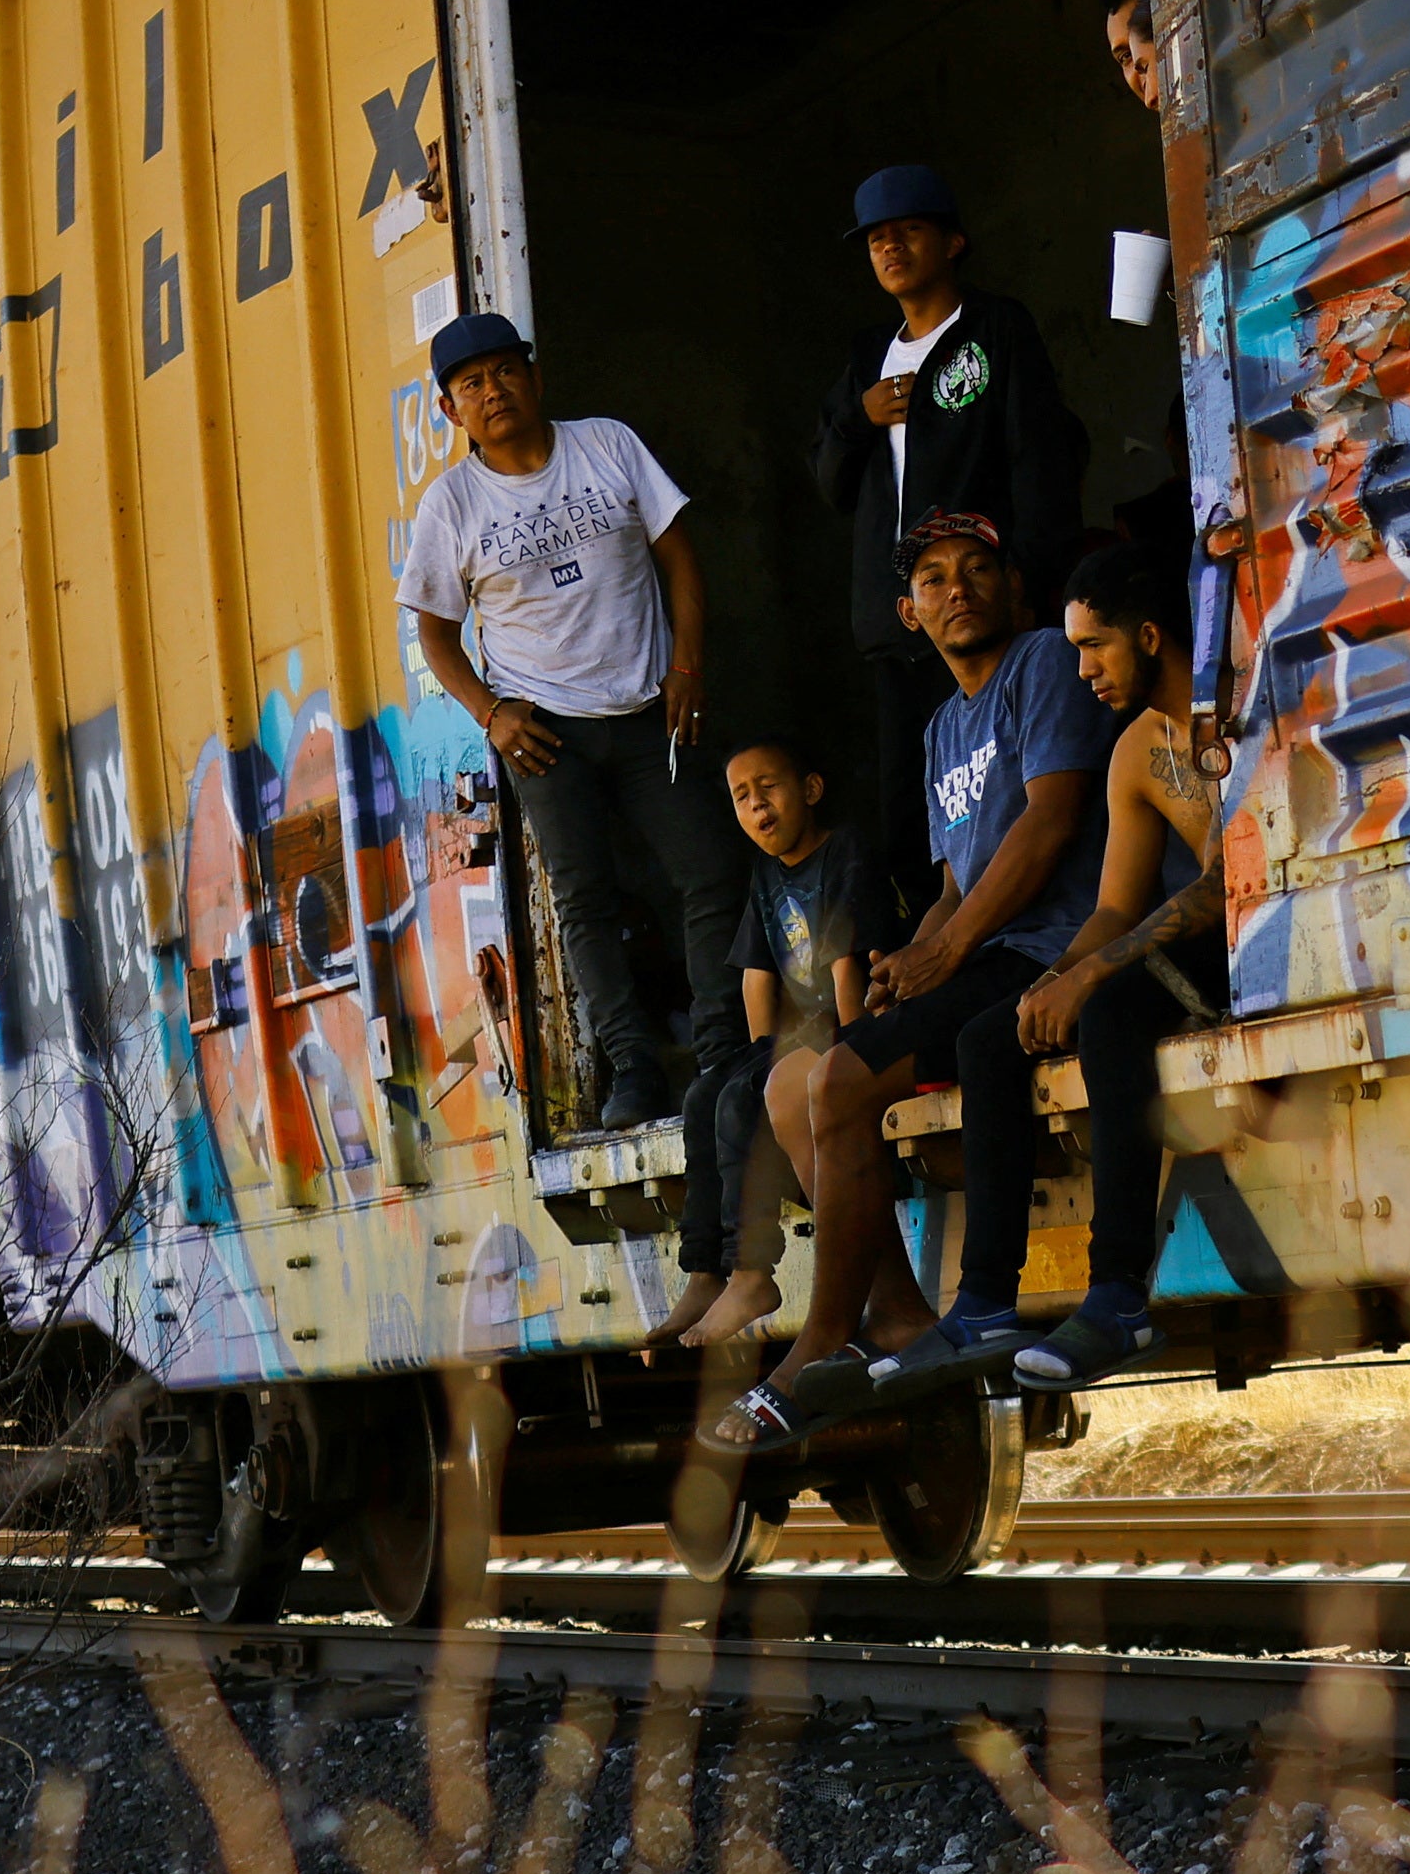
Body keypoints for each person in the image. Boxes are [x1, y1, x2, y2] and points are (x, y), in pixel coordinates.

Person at [710, 509, 1105, 1447]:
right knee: (795, 1082)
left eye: (976, 569)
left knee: (842, 1081)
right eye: (932, 579)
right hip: (978, 948)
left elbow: (1049, 823)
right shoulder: (940, 731)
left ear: (1013, 588)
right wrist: (909, 959)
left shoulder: (1042, 661)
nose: (955, 588)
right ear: (909, 612)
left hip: (1042, 948)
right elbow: (953, 884)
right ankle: (894, 1309)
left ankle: (821, 1343)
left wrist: (950, 947)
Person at [399, 310, 733, 1134]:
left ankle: (727, 1051)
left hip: (650, 707)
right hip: (546, 733)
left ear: (534, 376)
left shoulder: (607, 444)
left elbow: (681, 556)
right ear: (449, 411)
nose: (492, 391)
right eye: (470, 384)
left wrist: (688, 665)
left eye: (504, 371)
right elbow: (434, 631)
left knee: (712, 871)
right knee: (585, 905)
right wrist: (492, 714)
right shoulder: (452, 505)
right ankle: (635, 1071)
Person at [808, 164, 1084, 877]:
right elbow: (830, 484)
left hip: (987, 607)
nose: (890, 247)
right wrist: (854, 417)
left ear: (953, 241)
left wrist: (1029, 582)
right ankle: (925, 955)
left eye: (908, 230)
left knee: (1003, 791)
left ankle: (1002, 944)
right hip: (901, 620)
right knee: (914, 809)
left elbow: (1041, 461)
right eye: (875, 239)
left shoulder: (994, 327)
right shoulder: (868, 355)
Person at [1005, 550, 1229, 1394]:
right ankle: (981, 1308)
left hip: (1277, 933)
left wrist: (1092, 980)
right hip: (1203, 941)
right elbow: (1113, 907)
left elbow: (1229, 882)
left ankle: (1118, 1300)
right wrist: (1051, 980)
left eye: (1095, 645)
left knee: (1111, 1011)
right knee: (1000, 1029)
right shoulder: (1135, 750)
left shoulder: (1239, 720)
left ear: (1147, 635)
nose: (1083, 669)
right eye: (1072, 649)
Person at [665, 733, 885, 1358]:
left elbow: (848, 964)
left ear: (810, 790)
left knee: (742, 1099)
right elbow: (756, 973)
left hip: (850, 1021)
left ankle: (752, 1275)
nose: (758, 806)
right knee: (709, 1092)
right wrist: (760, 1049)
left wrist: (849, 1051)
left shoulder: (844, 852)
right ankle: (705, 1272)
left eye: (771, 788)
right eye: (742, 797)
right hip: (799, 1031)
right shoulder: (765, 873)